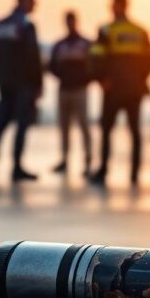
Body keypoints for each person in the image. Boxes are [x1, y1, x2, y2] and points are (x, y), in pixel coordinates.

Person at [88, 0, 150, 186]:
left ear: (120, 5)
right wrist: (140, 79)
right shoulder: (140, 31)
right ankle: (134, 173)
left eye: (114, 4)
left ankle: (104, 170)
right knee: (133, 131)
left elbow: (96, 57)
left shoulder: (108, 30)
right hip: (133, 89)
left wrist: (101, 79)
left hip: (114, 89)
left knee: (109, 129)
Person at [0, 0, 43, 184]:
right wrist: (38, 84)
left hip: (5, 82)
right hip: (23, 83)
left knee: (1, 123)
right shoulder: (25, 26)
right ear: (23, 0)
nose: (35, 4)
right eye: (33, 0)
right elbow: (33, 57)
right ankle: (16, 166)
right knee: (21, 125)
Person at [49, 11, 93, 176]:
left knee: (83, 125)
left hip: (80, 90)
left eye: (72, 21)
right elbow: (52, 66)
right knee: (64, 127)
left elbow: (93, 65)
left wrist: (85, 80)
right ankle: (64, 159)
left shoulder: (85, 44)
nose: (70, 24)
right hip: (64, 89)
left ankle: (88, 160)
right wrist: (63, 76)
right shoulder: (60, 45)